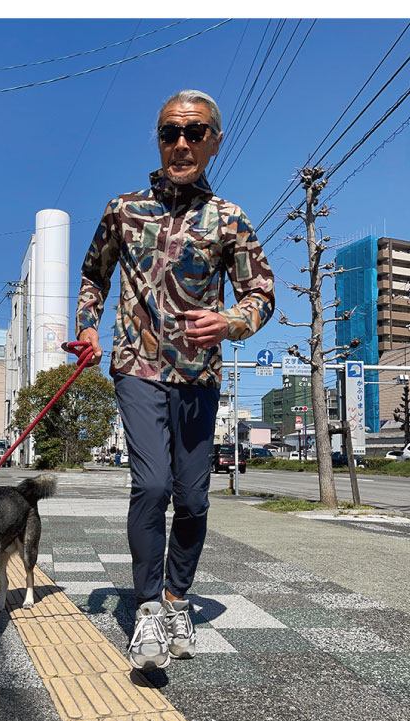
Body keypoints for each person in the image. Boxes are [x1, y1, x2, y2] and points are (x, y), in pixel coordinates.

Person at [75, 90, 275, 670]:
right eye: (169, 132)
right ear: (157, 140)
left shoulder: (230, 220)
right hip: (137, 365)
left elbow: (260, 292)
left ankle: (177, 597)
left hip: (199, 375)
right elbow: (94, 275)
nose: (180, 143)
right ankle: (144, 612)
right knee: (154, 485)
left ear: (214, 140)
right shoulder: (122, 209)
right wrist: (87, 328)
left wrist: (232, 321)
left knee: (192, 494)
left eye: (194, 132)